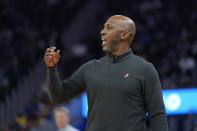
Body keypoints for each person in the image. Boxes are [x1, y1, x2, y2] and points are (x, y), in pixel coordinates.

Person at [44, 15, 168, 131]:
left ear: (124, 35)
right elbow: (58, 97)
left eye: (109, 28)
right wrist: (51, 68)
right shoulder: (90, 68)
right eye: (104, 27)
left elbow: (157, 115)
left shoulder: (145, 69)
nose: (102, 32)